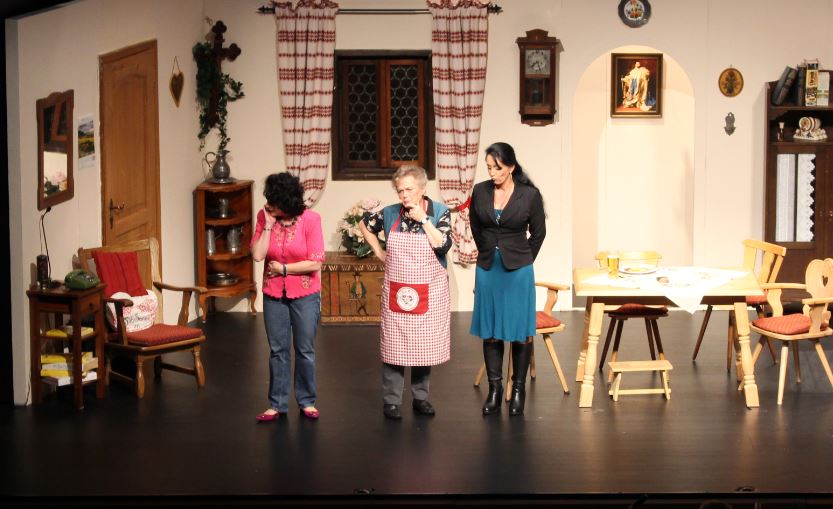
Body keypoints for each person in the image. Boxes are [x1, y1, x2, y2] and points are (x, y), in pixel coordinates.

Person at [359, 165, 452, 420]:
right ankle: (392, 401)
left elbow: (443, 245)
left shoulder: (439, 212)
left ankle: (421, 398)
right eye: (400, 190)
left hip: (429, 290)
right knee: (394, 346)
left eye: (409, 189)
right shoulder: (390, 213)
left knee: (424, 345)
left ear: (422, 189)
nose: (404, 195)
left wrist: (423, 219)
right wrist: (379, 251)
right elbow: (364, 224)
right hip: (397, 292)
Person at [469, 142, 546, 416]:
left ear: (511, 167)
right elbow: (476, 227)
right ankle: (495, 389)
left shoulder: (529, 195)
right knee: (491, 332)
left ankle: (518, 390)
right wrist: (488, 251)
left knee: (519, 332)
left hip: (518, 271)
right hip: (488, 268)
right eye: (489, 167)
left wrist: (523, 259)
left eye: (497, 168)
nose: (492, 173)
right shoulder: (480, 191)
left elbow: (538, 233)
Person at [251, 172, 325, 422]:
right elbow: (258, 255)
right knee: (277, 350)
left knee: (305, 349)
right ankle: (277, 404)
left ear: (287, 201)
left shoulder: (311, 220)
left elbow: (315, 262)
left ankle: (307, 401)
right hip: (273, 294)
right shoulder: (264, 217)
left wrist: (284, 269)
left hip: (305, 294)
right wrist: (268, 225)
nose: (268, 205)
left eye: (274, 201)